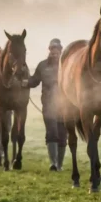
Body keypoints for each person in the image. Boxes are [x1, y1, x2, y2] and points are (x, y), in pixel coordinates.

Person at [26, 38, 67, 172]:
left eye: (57, 50)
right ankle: (53, 163)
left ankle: (60, 164)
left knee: (62, 135)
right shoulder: (42, 66)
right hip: (48, 106)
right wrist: (25, 82)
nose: (54, 52)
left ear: (61, 51)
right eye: (52, 50)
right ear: (49, 50)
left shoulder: (66, 65)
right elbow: (34, 81)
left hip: (65, 107)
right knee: (51, 132)